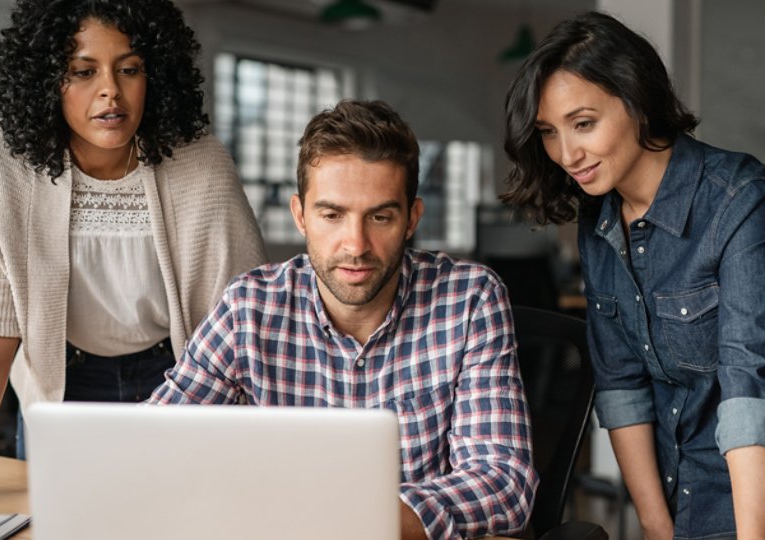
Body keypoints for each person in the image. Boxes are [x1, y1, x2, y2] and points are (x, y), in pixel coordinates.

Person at [0, 0, 265, 506]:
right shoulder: (2, 158)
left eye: (130, 69)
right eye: (83, 71)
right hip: (60, 383)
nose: (110, 90)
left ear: (156, 75)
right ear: (46, 80)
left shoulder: (198, 160)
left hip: (180, 380)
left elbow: (241, 320)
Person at [501, 11, 765, 540]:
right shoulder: (599, 218)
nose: (566, 155)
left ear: (637, 101)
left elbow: (750, 389)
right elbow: (621, 385)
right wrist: (656, 527)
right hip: (686, 498)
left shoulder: (741, 201)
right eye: (548, 133)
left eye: (583, 124)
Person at [148, 99, 537, 540]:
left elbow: (504, 482)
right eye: (332, 215)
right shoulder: (249, 307)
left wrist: (358, 519)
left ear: (412, 219)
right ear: (301, 216)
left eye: (380, 217)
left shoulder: (468, 298)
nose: (356, 245)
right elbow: (156, 442)